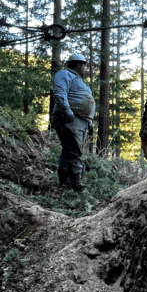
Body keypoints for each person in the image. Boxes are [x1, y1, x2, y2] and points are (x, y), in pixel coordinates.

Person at [51, 52, 95, 190]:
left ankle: (64, 181)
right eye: (84, 65)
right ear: (78, 64)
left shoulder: (80, 81)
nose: (85, 68)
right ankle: (77, 184)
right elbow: (59, 91)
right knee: (74, 149)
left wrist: (90, 122)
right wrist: (67, 109)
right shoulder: (64, 74)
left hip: (80, 119)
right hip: (69, 117)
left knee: (68, 149)